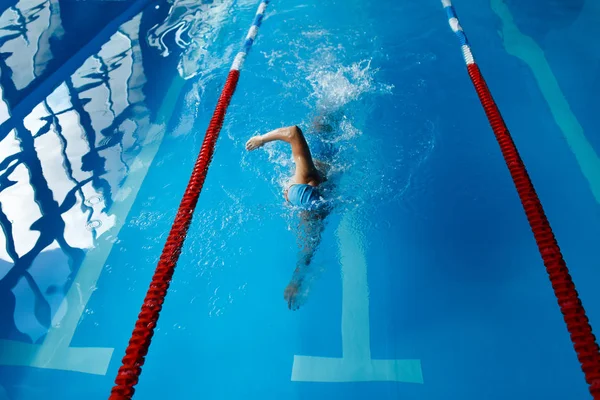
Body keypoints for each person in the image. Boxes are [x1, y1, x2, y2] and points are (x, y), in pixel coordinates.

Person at [246, 124, 332, 310]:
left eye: (287, 193)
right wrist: (261, 139)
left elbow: (293, 131)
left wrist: (296, 281)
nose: (285, 192)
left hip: (324, 154)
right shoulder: (309, 189)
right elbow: (293, 132)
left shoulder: (310, 196)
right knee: (320, 123)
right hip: (323, 154)